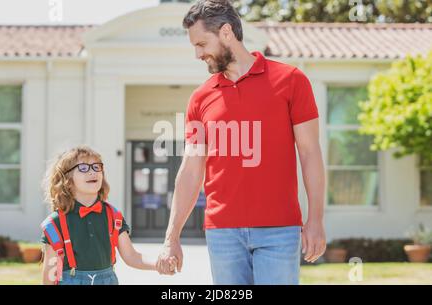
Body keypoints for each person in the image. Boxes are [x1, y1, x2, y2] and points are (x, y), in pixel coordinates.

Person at [157, 0, 326, 285]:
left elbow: (310, 153)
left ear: (226, 33)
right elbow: (191, 169)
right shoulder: (200, 98)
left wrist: (316, 220)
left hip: (279, 229)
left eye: (201, 44)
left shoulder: (291, 81)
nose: (198, 54)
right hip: (223, 233)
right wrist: (171, 237)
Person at [40, 145, 176, 285]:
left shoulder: (113, 216)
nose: (92, 172)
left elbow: (132, 256)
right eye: (83, 168)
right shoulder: (55, 223)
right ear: (67, 180)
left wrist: (159, 263)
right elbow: (51, 272)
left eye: (96, 167)